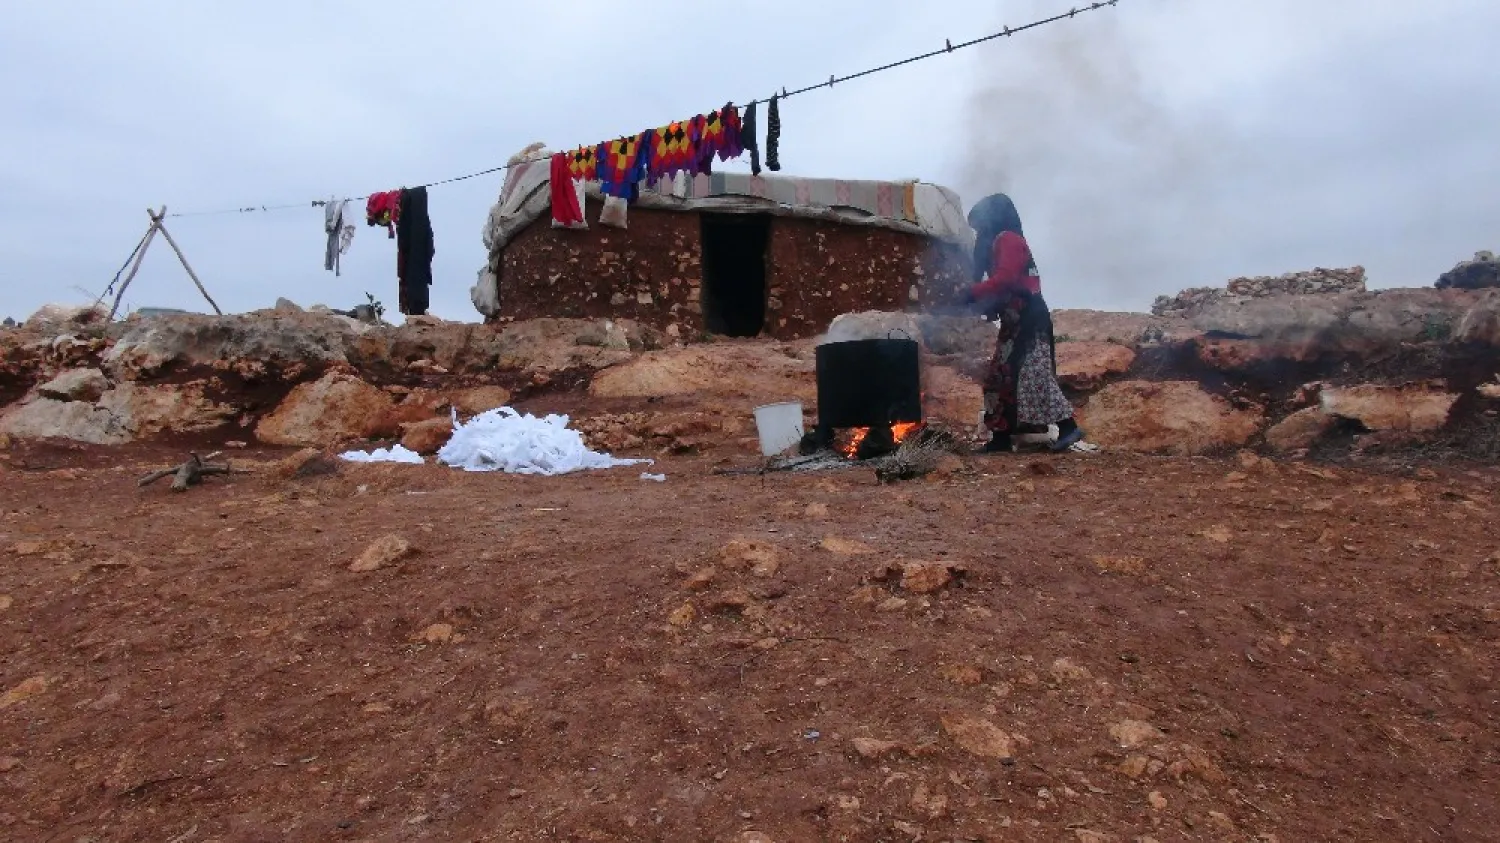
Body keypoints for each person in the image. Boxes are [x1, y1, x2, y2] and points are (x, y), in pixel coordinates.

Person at [963, 193, 1091, 453]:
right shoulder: (999, 243)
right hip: (1015, 322)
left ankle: (1068, 427)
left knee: (1034, 376)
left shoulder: (1008, 240)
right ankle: (1001, 437)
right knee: (1000, 379)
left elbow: (1006, 279)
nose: (978, 233)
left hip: (1031, 321)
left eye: (979, 225)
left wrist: (973, 293)